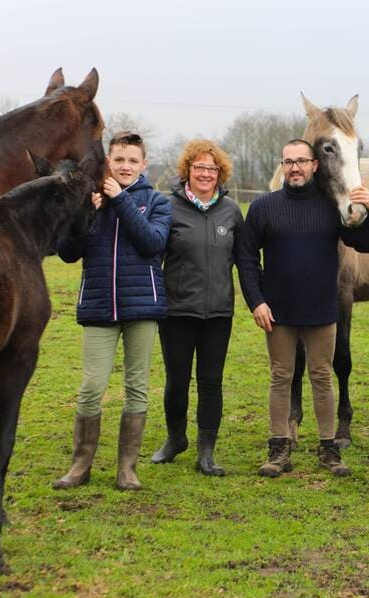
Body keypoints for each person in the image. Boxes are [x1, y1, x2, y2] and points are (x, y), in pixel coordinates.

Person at [236, 139, 369, 478]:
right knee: (280, 377)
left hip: (321, 310)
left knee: (321, 377)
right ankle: (279, 448)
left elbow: (365, 242)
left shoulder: (331, 207)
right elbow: (245, 256)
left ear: (315, 165)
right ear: (282, 166)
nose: (295, 168)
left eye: (301, 161)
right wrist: (255, 300)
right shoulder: (263, 207)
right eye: (289, 162)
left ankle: (329, 448)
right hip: (278, 312)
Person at [53, 130, 171, 491]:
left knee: (137, 387)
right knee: (91, 387)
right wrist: (84, 213)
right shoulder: (91, 201)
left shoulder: (156, 202)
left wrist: (120, 202)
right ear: (109, 162)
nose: (125, 166)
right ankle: (80, 466)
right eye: (119, 159)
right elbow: (67, 252)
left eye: (133, 160)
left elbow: (153, 243)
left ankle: (126, 469)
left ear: (143, 164)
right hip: (99, 306)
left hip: (142, 306)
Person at [149, 139, 242, 475]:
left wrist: (257, 300)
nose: (205, 173)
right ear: (187, 170)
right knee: (177, 380)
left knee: (211, 381)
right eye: (199, 167)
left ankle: (206, 451)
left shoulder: (231, 211)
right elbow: (153, 254)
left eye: (212, 168)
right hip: (176, 311)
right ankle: (175, 439)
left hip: (218, 312)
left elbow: (243, 259)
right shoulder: (167, 207)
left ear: (220, 173)